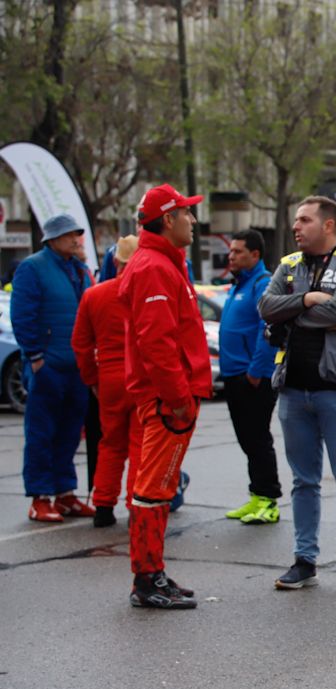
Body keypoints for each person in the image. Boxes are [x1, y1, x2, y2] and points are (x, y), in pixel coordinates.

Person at [259, 196, 336, 594]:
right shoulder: (289, 265)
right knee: (303, 482)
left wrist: (290, 314)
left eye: (305, 220)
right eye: (295, 220)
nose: (296, 227)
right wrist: (305, 299)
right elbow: (266, 306)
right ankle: (304, 560)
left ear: (328, 225)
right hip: (293, 389)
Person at [119, 184, 211, 609]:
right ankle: (148, 580)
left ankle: (152, 575)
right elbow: (156, 341)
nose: (193, 220)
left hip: (164, 398)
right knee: (153, 491)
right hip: (165, 401)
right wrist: (177, 397)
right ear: (168, 219)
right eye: (186, 214)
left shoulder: (161, 263)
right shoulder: (155, 266)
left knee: (155, 488)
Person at [10, 213, 95, 522]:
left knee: (70, 433)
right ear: (52, 239)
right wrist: (35, 356)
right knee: (42, 433)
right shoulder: (33, 268)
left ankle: (64, 493)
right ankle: (40, 497)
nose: (75, 239)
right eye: (69, 234)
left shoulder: (80, 269)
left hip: (76, 367)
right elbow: (22, 316)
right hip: (48, 366)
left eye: (77, 233)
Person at [72, 235, 140, 528]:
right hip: (140, 377)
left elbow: (80, 344)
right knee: (140, 445)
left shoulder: (94, 295)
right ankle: (137, 506)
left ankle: (103, 505)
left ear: (115, 261)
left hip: (109, 378)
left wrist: (92, 379)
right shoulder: (146, 293)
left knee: (110, 444)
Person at [220, 229, 282, 525]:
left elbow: (267, 330)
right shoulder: (238, 284)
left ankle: (268, 500)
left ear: (255, 255)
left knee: (257, 438)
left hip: (251, 378)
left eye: (238, 252)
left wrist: (256, 372)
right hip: (234, 376)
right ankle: (256, 494)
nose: (231, 256)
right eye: (231, 251)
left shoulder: (261, 283)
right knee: (247, 438)